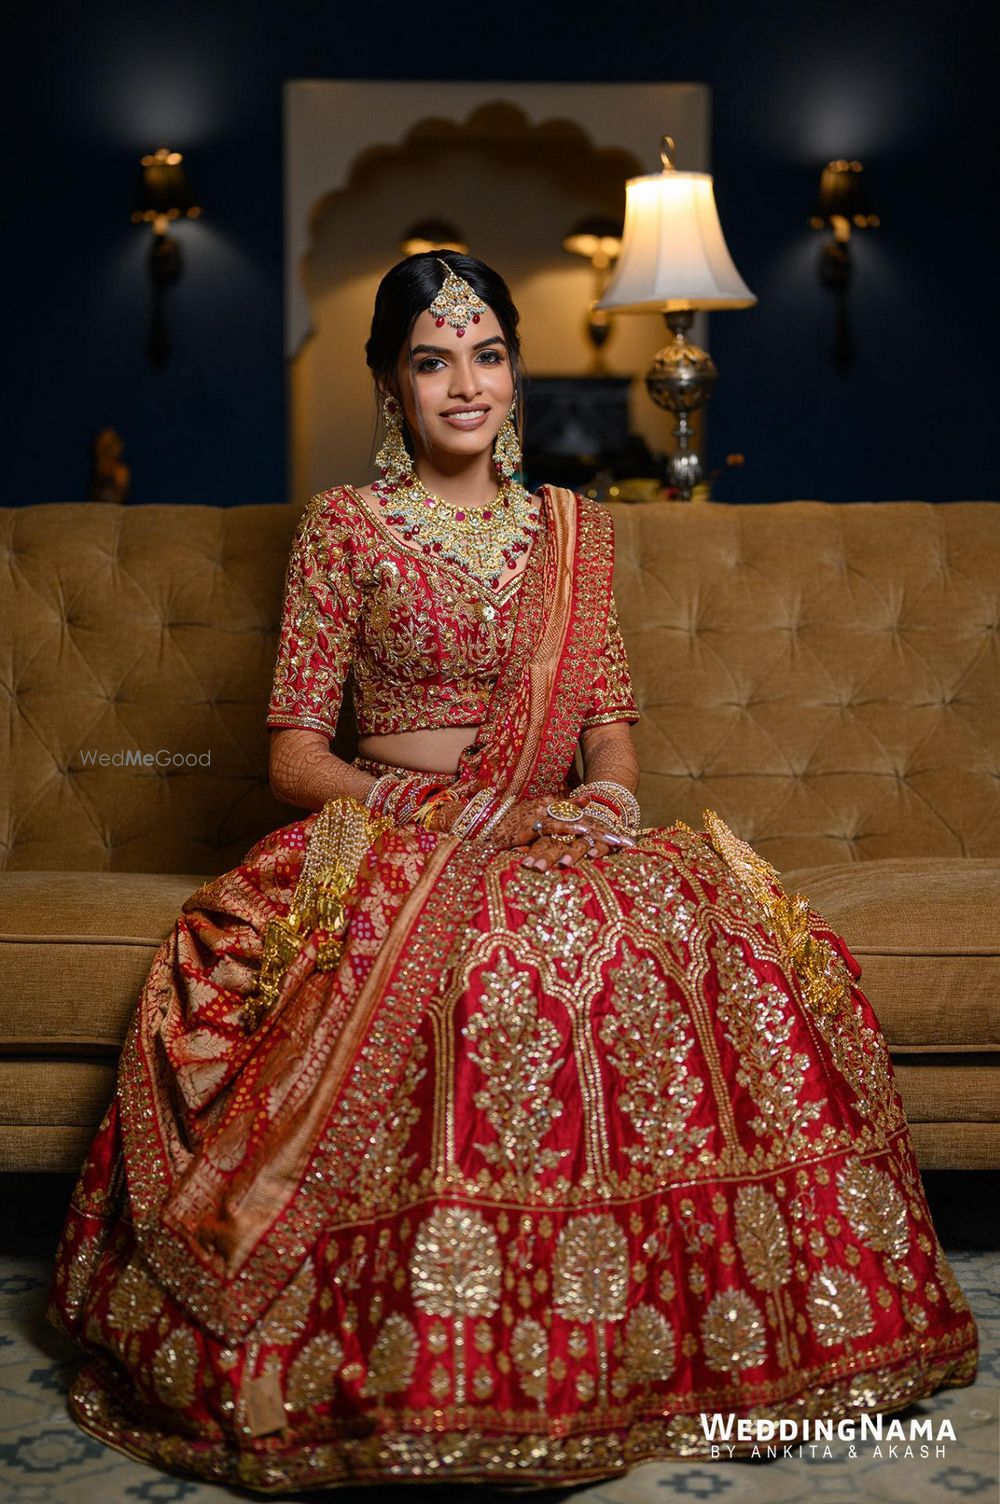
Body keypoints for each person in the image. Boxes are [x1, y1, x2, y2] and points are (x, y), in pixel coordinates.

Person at [47, 252, 977, 1494]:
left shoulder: (571, 531)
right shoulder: (344, 527)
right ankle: (456, 1347)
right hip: (393, 825)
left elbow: (608, 717)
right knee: (491, 955)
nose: (464, 384)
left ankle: (667, 1343)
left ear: (513, 372)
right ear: (390, 384)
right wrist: (432, 804)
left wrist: (604, 796)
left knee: (698, 935)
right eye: (432, 361)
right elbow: (291, 757)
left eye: (486, 355)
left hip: (553, 825)